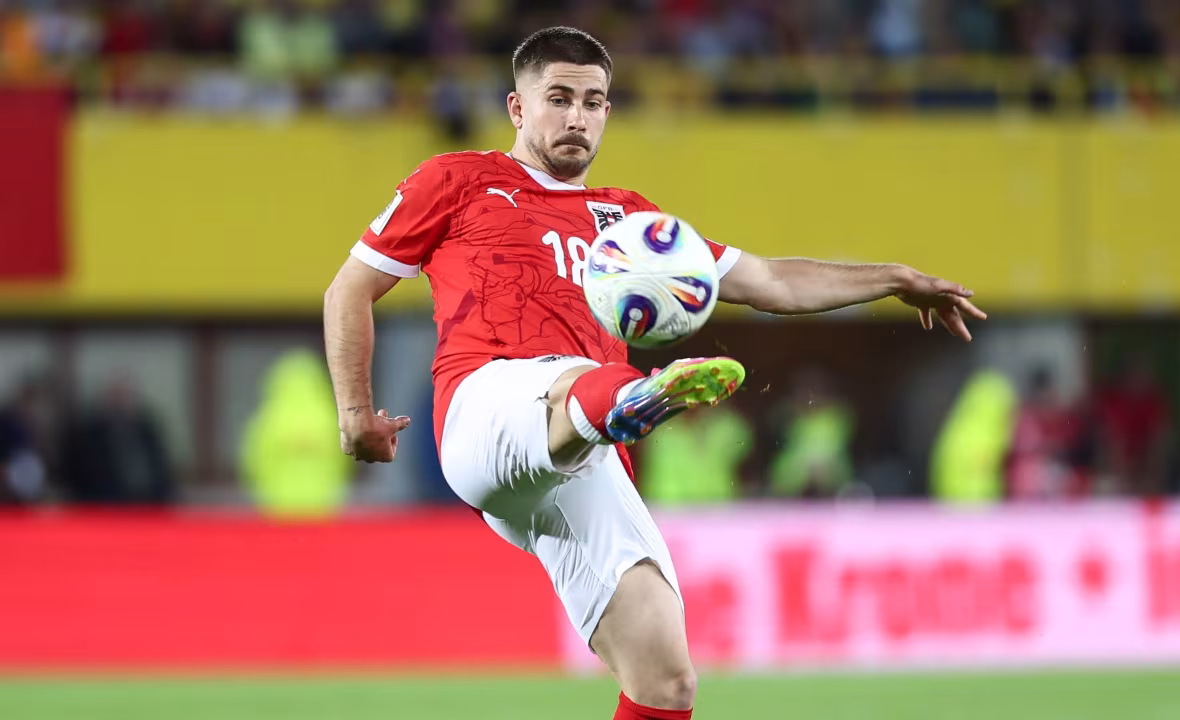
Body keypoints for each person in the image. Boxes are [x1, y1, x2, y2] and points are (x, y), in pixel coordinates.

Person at [323, 26, 985, 719]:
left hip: (586, 455)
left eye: (593, 102)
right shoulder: (456, 180)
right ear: (517, 107)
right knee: (574, 378)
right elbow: (349, 289)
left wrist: (894, 278)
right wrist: (354, 413)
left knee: (667, 682)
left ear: (608, 111)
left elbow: (770, 281)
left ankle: (627, 403)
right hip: (489, 407)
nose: (577, 117)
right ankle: (635, 399)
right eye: (558, 98)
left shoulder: (630, 221)